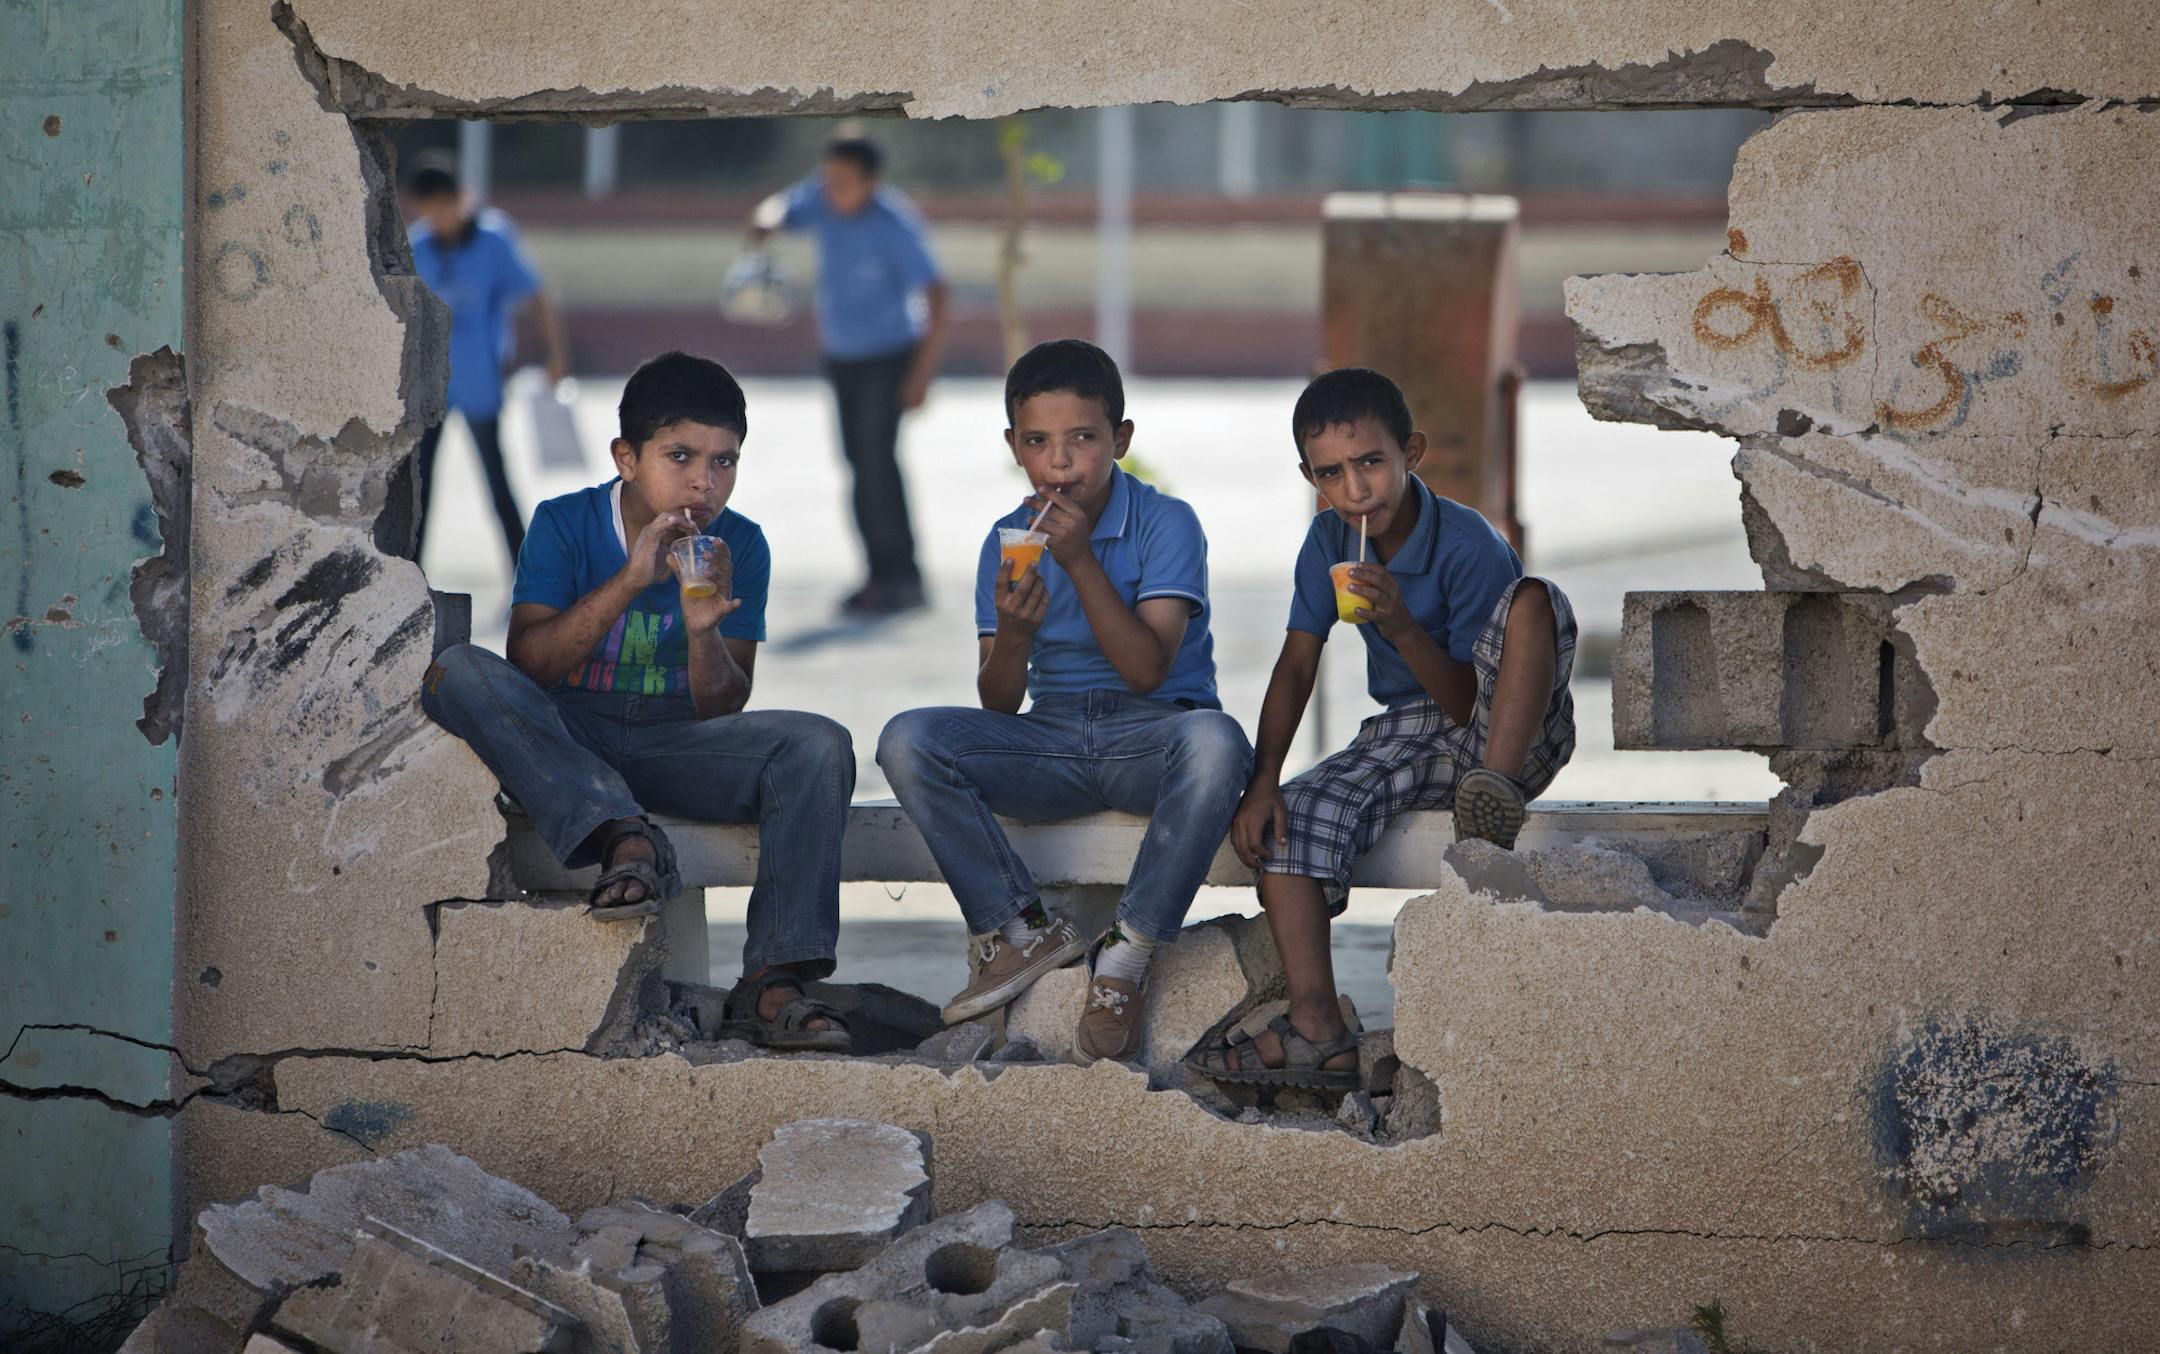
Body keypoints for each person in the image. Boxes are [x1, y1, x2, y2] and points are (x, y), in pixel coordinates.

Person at [420, 351, 855, 1053]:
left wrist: (703, 632)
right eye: (680, 456)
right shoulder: (564, 523)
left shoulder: (740, 543)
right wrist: (630, 579)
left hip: (673, 744)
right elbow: (529, 666)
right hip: (571, 744)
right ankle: (624, 833)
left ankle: (774, 982)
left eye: (724, 462)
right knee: (460, 671)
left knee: (817, 745)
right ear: (627, 458)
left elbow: (721, 710)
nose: (703, 482)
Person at [1187, 367, 1578, 1089]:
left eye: (1371, 463)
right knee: (1292, 822)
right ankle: (1318, 1030)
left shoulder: (1467, 543)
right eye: (1332, 474)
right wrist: (1264, 782)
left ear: (1412, 453)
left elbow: (1467, 702)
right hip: (1407, 730)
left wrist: (1398, 620)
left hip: (1508, 726)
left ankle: (1491, 794)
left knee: (1536, 600)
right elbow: (1297, 664)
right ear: (1310, 477)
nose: (1356, 490)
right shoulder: (1328, 544)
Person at [877, 340, 1253, 1063]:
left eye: (1083, 439)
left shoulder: (1166, 523)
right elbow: (997, 703)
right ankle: (1022, 930)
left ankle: (1126, 958)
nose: (1061, 463)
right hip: (1048, 740)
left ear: (1122, 440)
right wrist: (1013, 636)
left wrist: (1079, 560)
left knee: (1218, 742)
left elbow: (1147, 670)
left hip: (1154, 739)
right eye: (1039, 443)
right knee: (908, 739)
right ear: (1014, 447)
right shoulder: (1007, 540)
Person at [749, 136, 949, 616]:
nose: (832, 189)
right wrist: (767, 221)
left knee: (878, 463)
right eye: (828, 178)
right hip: (842, 357)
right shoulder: (820, 198)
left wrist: (922, 375)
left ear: (871, 182)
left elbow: (938, 294)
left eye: (844, 182)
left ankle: (902, 577)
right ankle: (878, 574)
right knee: (858, 463)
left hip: (889, 355)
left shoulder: (896, 225)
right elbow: (780, 208)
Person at [403, 150, 571, 566]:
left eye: (444, 207)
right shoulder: (417, 246)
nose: (438, 218)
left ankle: (527, 575)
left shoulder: (494, 238)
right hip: (429, 388)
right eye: (428, 210)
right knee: (418, 490)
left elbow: (537, 295)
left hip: (480, 380)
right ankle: (409, 580)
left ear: (461, 197)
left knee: (497, 482)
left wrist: (555, 356)